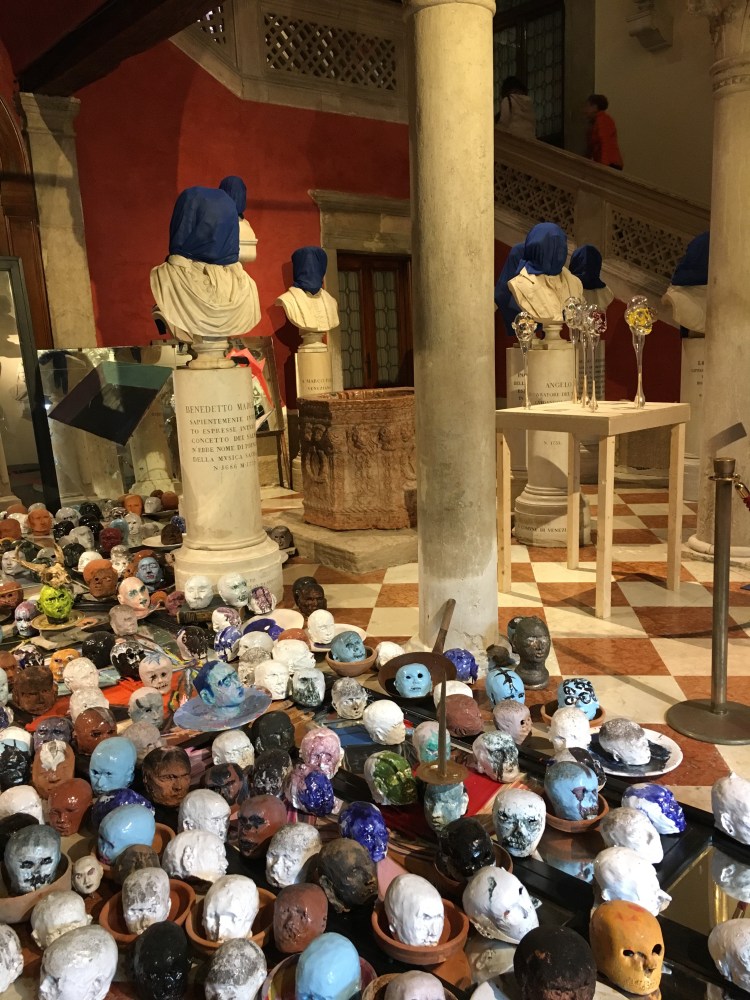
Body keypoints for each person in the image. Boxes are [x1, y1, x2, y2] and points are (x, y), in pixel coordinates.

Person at [584, 94, 623, 170]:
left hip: (610, 163)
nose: (585, 110)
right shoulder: (595, 122)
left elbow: (605, 143)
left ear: (595, 107)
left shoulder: (603, 120)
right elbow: (591, 147)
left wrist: (603, 167)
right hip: (605, 163)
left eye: (587, 106)